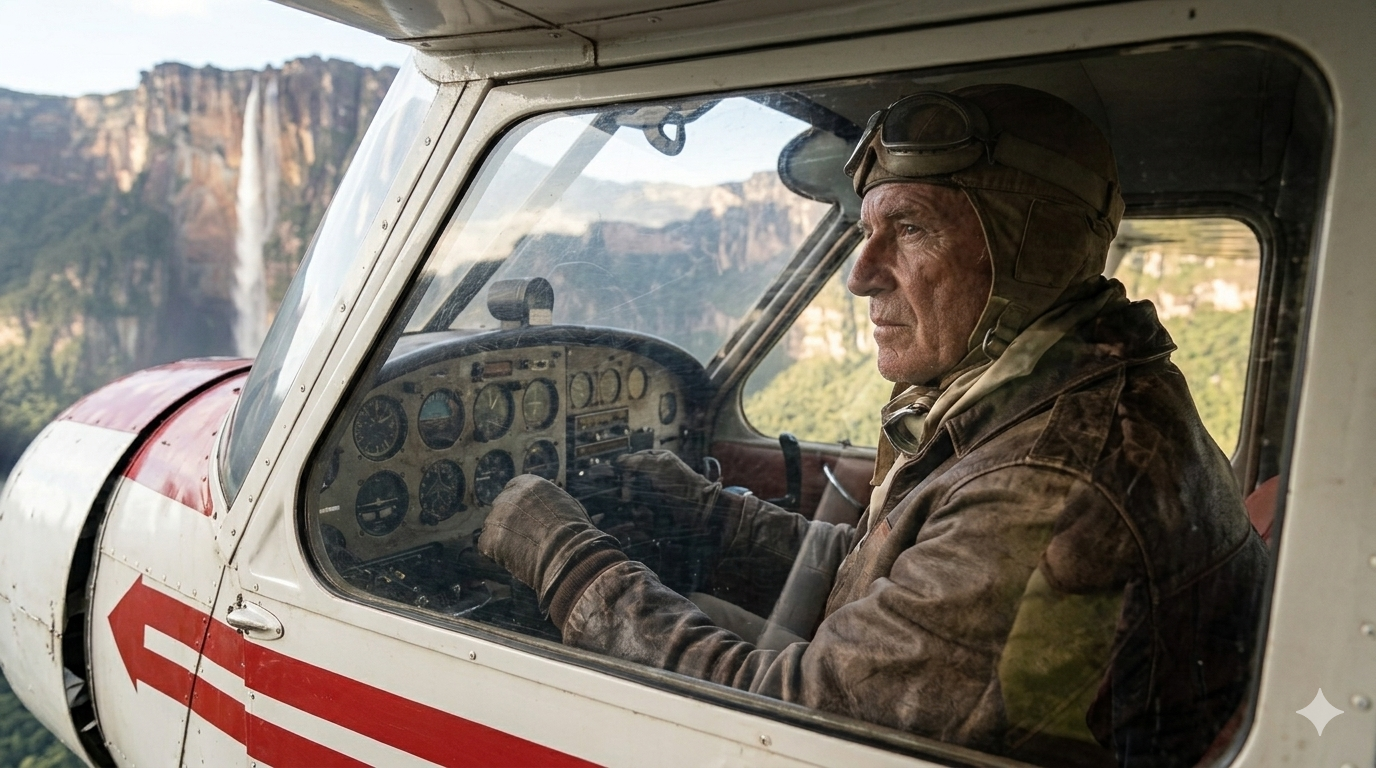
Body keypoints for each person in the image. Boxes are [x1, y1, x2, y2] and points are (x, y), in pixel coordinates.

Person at [478, 85, 1266, 767]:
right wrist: (703, 508)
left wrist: (563, 558)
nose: (859, 274)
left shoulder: (1051, 489)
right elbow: (884, 574)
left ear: (1034, 250)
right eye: (866, 231)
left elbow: (792, 726)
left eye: (914, 227)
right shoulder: (1058, 398)